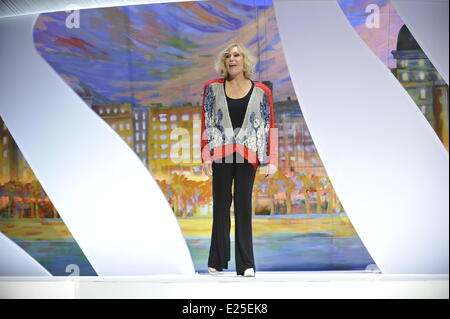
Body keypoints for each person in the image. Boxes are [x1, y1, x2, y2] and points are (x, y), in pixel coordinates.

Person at [200, 43, 278, 277]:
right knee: (220, 207)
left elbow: (269, 124)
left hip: (249, 155)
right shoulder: (212, 88)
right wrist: (205, 156)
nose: (232, 59)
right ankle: (217, 259)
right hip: (221, 154)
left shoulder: (262, 91)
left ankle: (246, 264)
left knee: (243, 205)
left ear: (245, 60)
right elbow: (206, 121)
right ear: (223, 62)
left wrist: (271, 158)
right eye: (227, 56)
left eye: (236, 55)